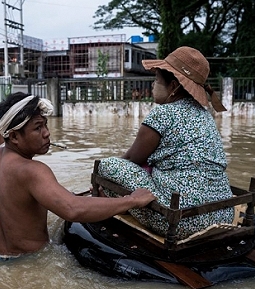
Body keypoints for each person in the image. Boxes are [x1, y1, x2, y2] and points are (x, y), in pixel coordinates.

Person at [0, 92, 157, 261]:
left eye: (45, 124)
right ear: (14, 136)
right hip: (32, 262)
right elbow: (72, 209)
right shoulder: (32, 170)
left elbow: (20, 204)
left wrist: (90, 201)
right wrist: (132, 200)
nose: (47, 133)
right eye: (37, 127)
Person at [97, 46, 233, 241]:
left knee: (107, 166)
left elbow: (131, 159)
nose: (153, 86)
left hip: (180, 222)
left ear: (174, 87)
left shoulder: (163, 113)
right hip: (223, 213)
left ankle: (119, 204)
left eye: (156, 80)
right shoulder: (205, 114)